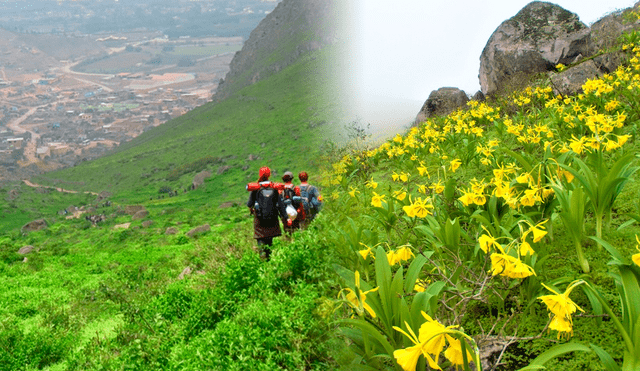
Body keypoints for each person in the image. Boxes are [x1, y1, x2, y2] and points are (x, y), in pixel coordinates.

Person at [247, 166, 290, 260]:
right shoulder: (274, 187)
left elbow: (249, 204)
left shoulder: (256, 188)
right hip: (272, 220)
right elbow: (280, 204)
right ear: (269, 175)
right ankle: (269, 261)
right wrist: (286, 218)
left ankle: (263, 261)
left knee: (261, 241)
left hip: (259, 220)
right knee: (269, 242)